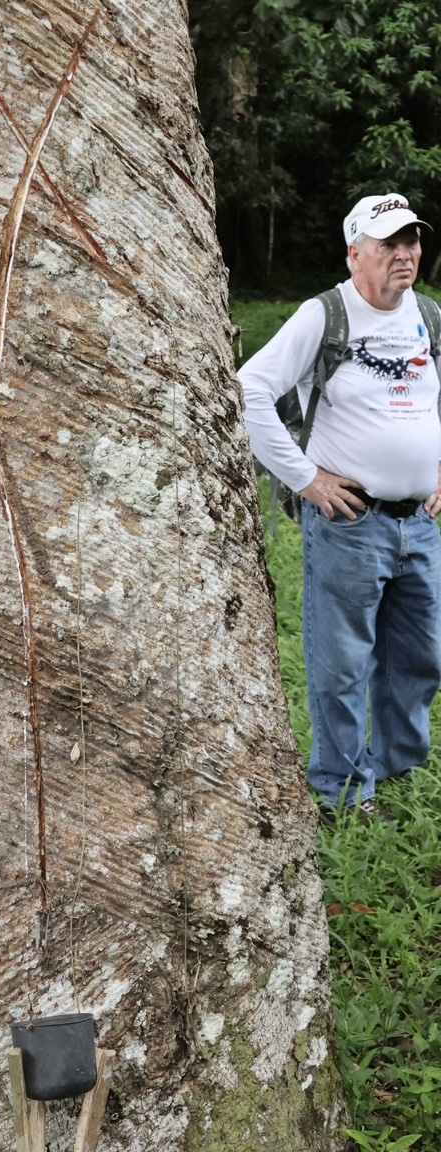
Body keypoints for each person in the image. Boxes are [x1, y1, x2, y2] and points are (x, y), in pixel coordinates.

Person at [238, 194, 441, 823]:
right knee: (342, 664)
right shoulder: (323, 316)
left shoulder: (428, 317)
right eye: (389, 244)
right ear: (355, 252)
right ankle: (344, 794)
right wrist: (304, 479)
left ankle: (400, 770)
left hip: (422, 523)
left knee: (421, 656)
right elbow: (250, 388)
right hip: (351, 524)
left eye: (411, 241)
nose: (405, 254)